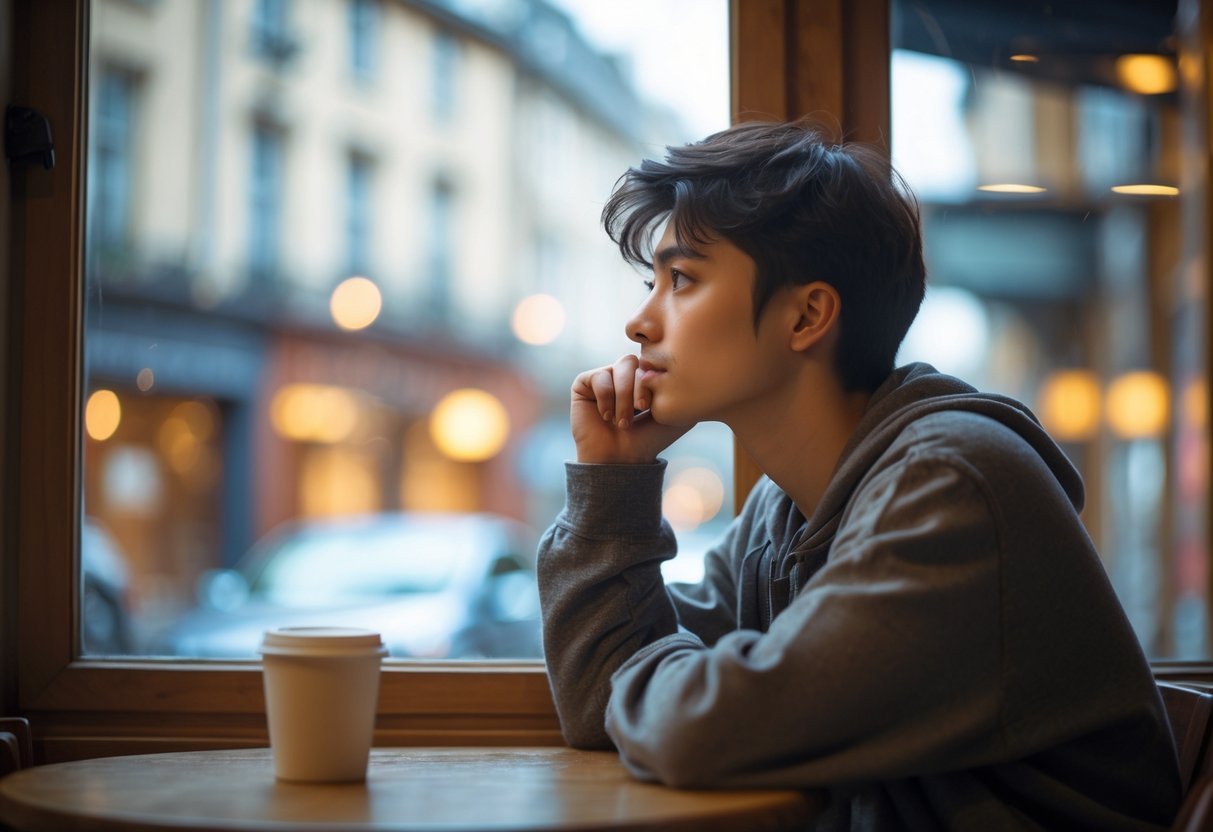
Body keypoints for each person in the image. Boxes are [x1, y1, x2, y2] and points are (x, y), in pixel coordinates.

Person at [536, 119, 1182, 830]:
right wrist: (612, 483)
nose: (638, 323)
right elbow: (603, 703)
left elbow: (701, 732)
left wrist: (660, 681)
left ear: (807, 314)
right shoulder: (782, 510)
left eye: (681, 279)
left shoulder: (952, 488)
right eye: (650, 281)